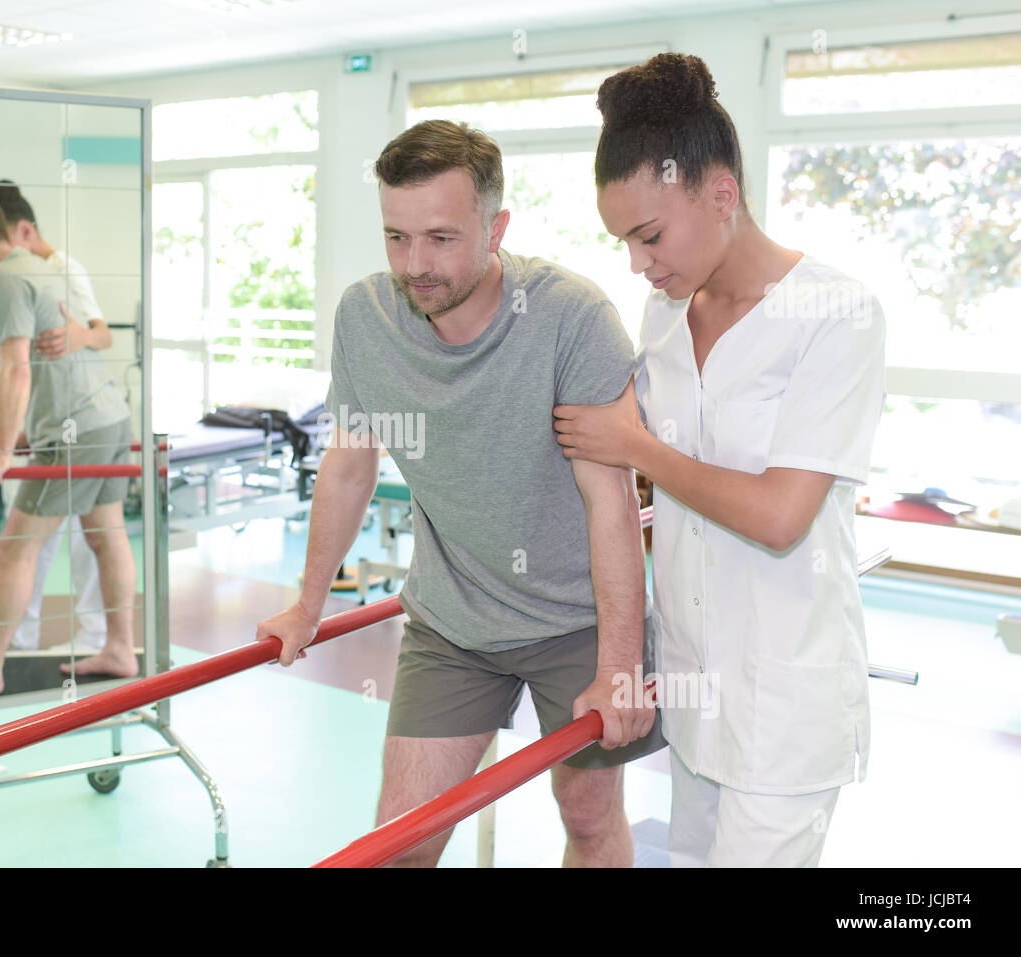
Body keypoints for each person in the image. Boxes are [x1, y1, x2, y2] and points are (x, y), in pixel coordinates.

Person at [256, 120, 663, 868]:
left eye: (441, 238)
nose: (417, 265)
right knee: (398, 841)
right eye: (396, 238)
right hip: (452, 622)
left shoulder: (572, 317)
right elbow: (349, 465)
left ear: (495, 226)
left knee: (590, 819)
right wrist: (309, 602)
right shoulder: (366, 317)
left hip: (576, 619)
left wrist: (619, 665)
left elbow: (611, 502)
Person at [552, 53, 886, 867]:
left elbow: (779, 516)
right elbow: (645, 478)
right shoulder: (663, 315)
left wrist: (636, 448)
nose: (638, 261)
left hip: (787, 702)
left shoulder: (835, 314)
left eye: (650, 234)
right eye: (624, 240)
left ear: (722, 194)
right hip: (696, 688)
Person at [0, 195, 138, 700]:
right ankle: (121, 648)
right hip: (107, 419)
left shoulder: (2, 279)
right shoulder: (41, 268)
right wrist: (23, 432)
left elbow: (16, 365)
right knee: (108, 537)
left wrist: (0, 452)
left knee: (14, 548)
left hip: (75, 430)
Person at [0, 180, 112, 654]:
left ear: (24, 230)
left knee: (84, 536)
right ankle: (21, 632)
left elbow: (102, 335)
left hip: (77, 420)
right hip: (46, 423)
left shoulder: (60, 268)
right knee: (39, 537)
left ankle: (96, 635)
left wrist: (80, 337)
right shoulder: (14, 272)